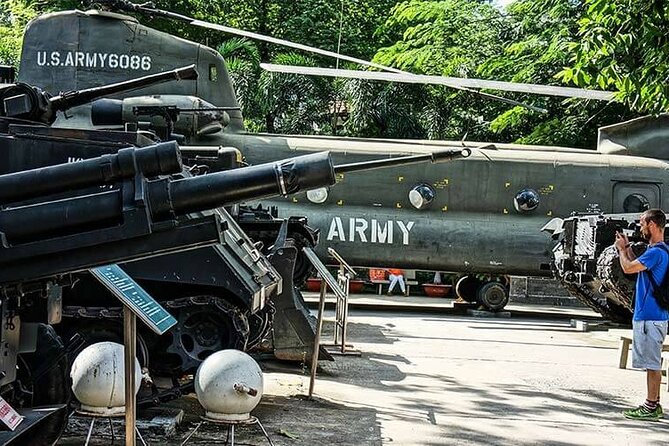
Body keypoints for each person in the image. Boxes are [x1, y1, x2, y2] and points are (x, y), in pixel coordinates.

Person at [615, 208, 669, 421]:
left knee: (652, 364)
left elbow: (628, 268)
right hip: (650, 316)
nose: (640, 227)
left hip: (651, 317)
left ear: (653, 225)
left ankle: (651, 406)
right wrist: (627, 246)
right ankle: (652, 403)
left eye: (642, 223)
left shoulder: (656, 253)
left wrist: (620, 250)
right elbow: (635, 266)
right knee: (650, 363)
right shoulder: (657, 250)